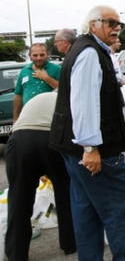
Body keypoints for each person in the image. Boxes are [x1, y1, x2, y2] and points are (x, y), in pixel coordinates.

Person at [49, 6, 125, 260]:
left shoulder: (87, 49)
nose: (117, 28)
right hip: (94, 150)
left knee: (87, 211)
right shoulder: (89, 53)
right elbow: (84, 103)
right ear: (93, 25)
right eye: (111, 23)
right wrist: (90, 148)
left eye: (118, 24)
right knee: (119, 206)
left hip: (74, 147)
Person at [5, 92, 76, 259]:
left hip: (19, 142)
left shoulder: (41, 97)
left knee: (19, 198)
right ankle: (70, 243)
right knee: (65, 191)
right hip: (49, 140)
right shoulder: (69, 99)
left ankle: (16, 253)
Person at [13, 43, 61, 121]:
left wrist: (46, 78)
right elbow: (18, 95)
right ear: (30, 56)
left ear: (48, 55)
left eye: (42, 55)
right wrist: (15, 118)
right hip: (28, 117)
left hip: (50, 117)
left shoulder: (57, 69)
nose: (39, 58)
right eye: (35, 55)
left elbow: (65, 91)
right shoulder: (24, 71)